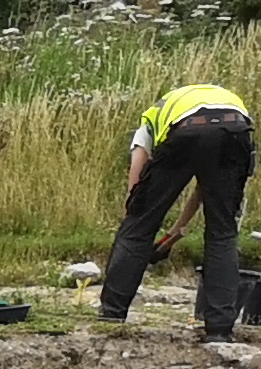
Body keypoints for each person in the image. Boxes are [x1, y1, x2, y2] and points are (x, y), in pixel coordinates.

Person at [100, 81, 253, 338]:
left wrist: (137, 219)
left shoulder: (150, 119)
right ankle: (219, 331)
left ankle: (111, 316)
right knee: (222, 232)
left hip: (185, 130)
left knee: (138, 226)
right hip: (236, 130)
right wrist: (173, 234)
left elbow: (137, 181)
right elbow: (206, 189)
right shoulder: (224, 102)